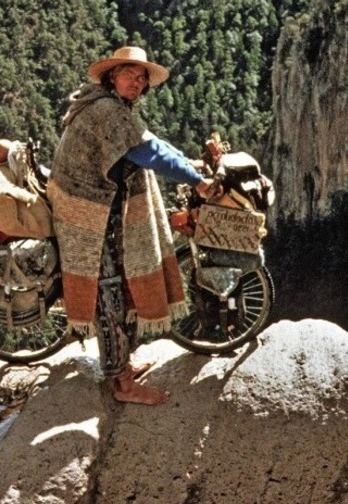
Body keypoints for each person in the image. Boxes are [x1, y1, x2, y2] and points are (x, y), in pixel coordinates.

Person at [47, 46, 217, 405]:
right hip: (87, 212)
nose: (137, 82)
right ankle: (121, 384)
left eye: (142, 77)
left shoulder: (112, 107)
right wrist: (196, 181)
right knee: (109, 291)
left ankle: (122, 362)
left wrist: (186, 162)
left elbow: (150, 141)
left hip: (97, 202)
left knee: (120, 285)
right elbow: (149, 154)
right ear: (112, 77)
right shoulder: (108, 112)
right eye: (129, 74)